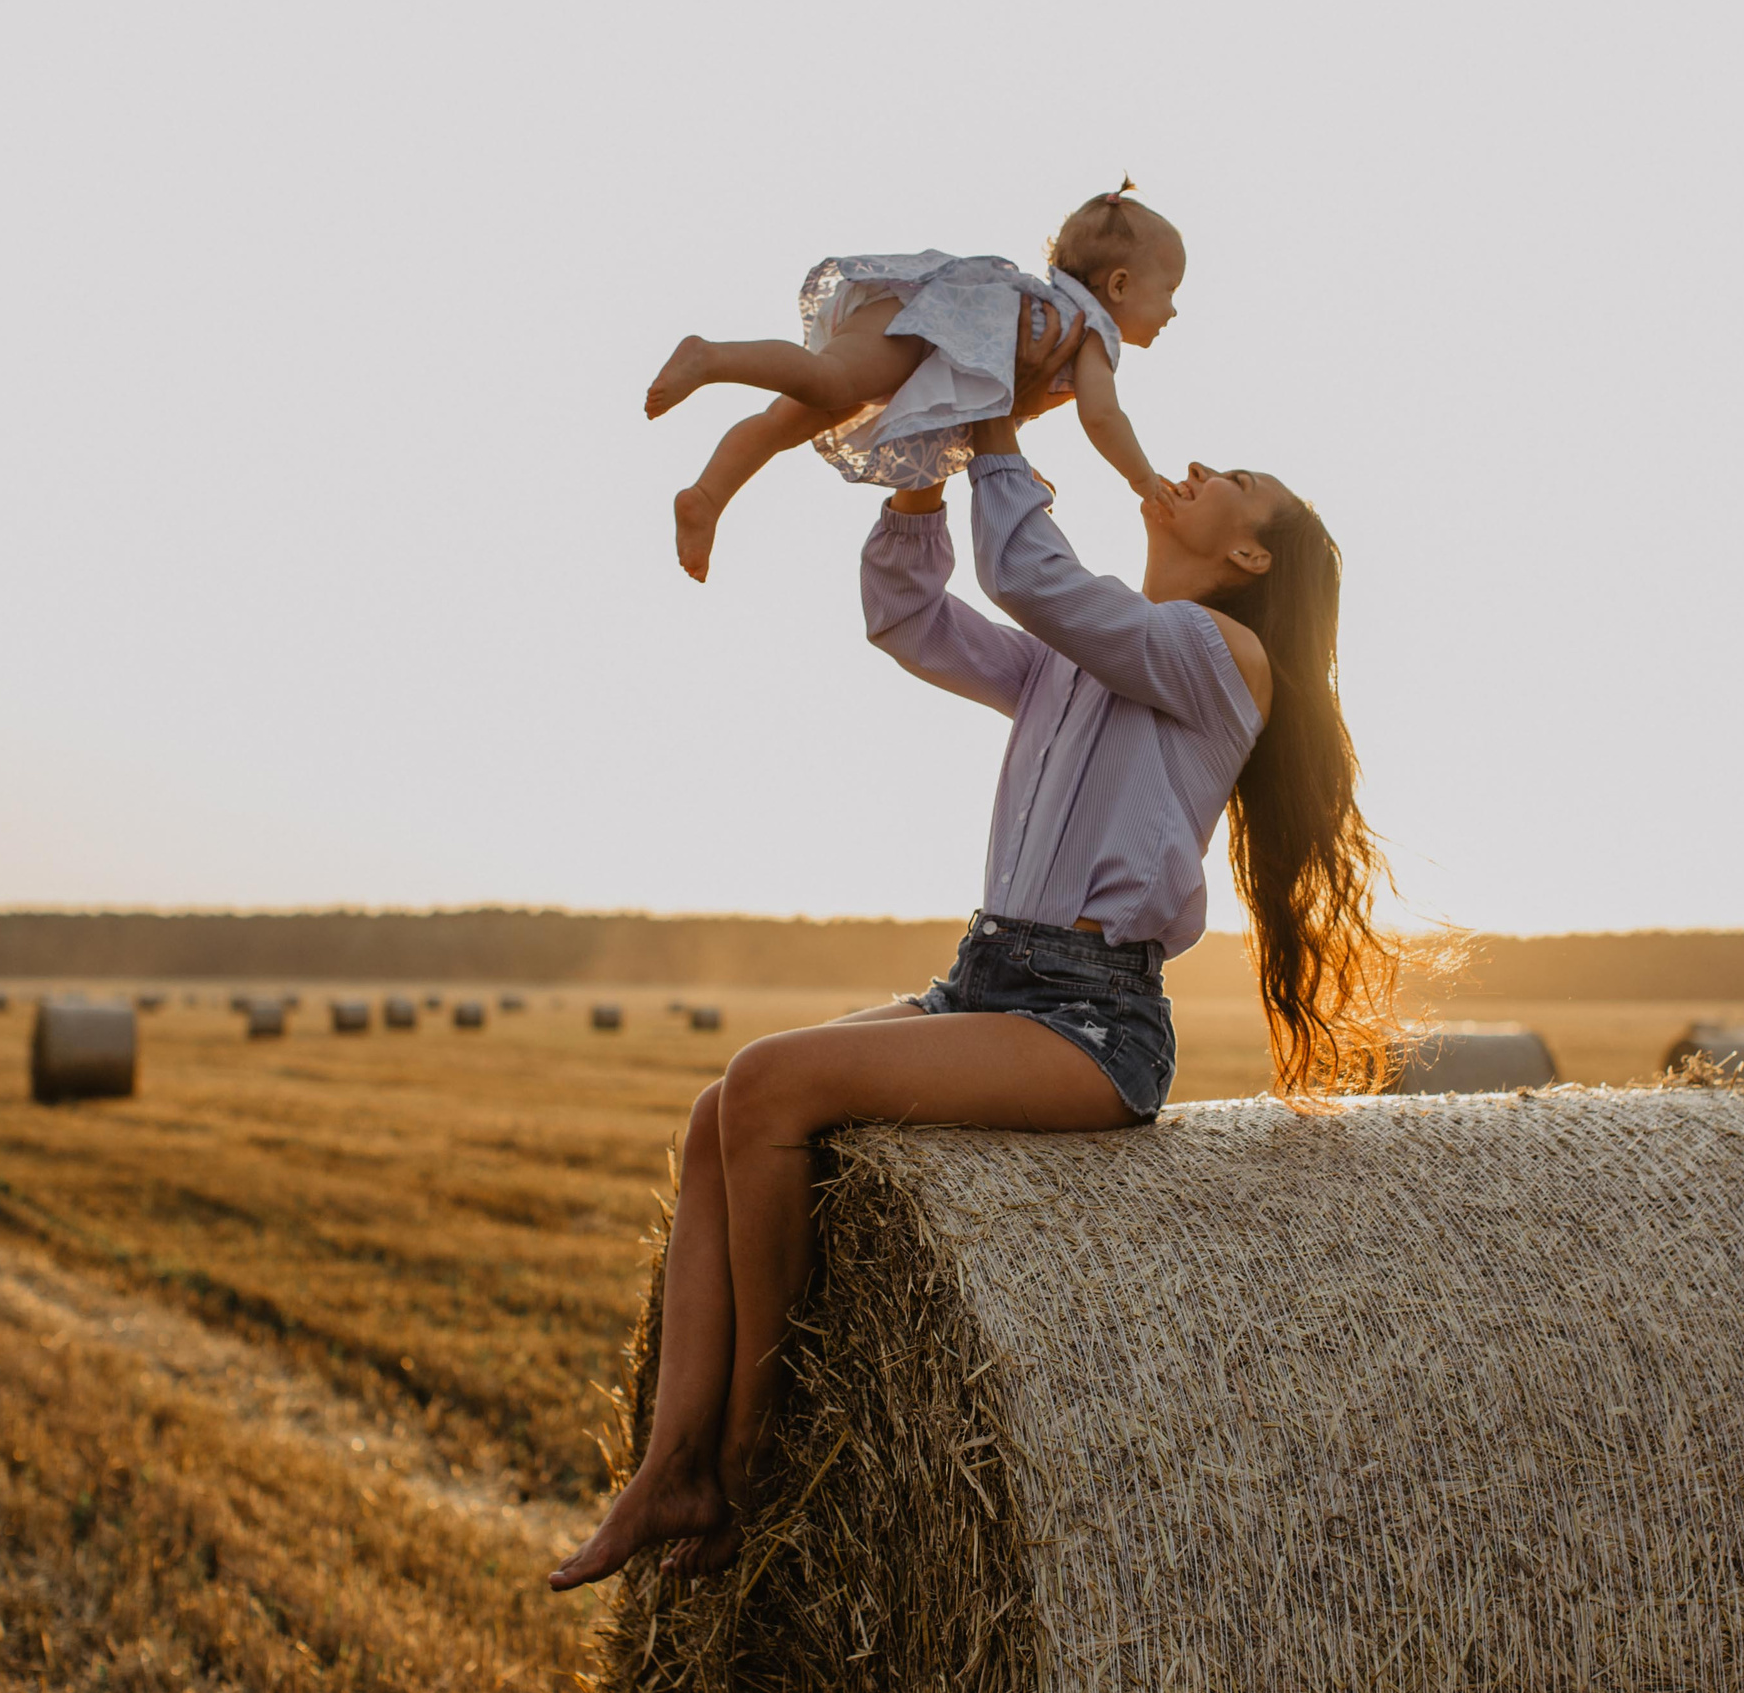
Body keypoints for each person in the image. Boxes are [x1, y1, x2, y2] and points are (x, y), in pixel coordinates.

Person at [551, 309, 1393, 1593]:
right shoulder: (1088, 651)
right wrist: (917, 478)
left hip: (1088, 1027)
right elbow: (912, 621)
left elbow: (1036, 584)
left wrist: (999, 422)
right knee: (721, 1109)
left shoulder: (1227, 661)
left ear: (1244, 550)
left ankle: (751, 1451)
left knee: (774, 1084)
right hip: (987, 982)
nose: (1200, 464)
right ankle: (668, 1465)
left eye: (1235, 477)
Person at [654, 182, 1184, 582]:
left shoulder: (1055, 309)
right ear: (1119, 284)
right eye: (1168, 291)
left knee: (789, 418)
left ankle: (706, 495)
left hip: (919, 328)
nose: (1173, 310)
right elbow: (1103, 416)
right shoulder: (1090, 331)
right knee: (827, 381)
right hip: (923, 332)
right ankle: (710, 358)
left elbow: (985, 400)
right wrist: (1145, 480)